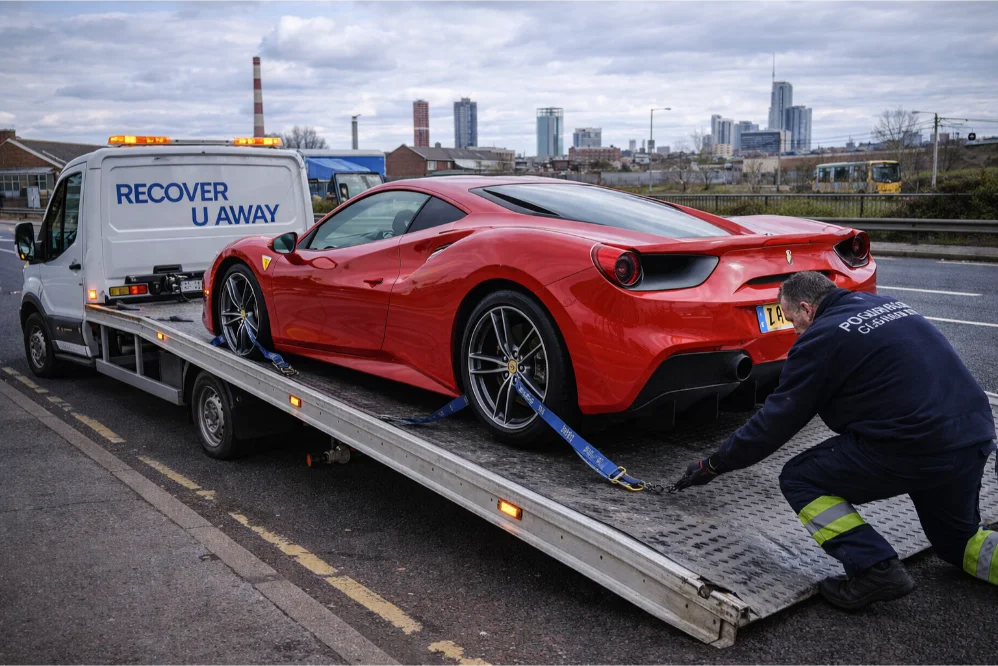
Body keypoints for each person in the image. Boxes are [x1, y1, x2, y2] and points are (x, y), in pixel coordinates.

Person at [674, 271, 996, 610]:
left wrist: (716, 463)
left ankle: (874, 568)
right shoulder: (887, 305)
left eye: (792, 320)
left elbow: (774, 422)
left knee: (800, 478)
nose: (794, 330)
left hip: (917, 445)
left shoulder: (821, 338)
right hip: (971, 437)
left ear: (806, 308)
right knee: (958, 542)